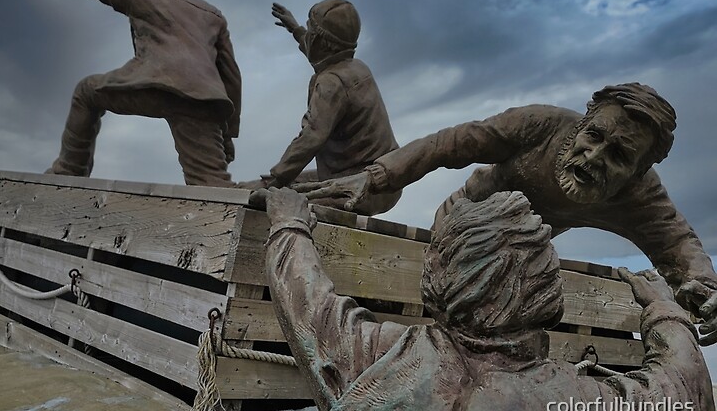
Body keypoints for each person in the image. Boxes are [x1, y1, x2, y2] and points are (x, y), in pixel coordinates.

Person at [263, 186, 715, 411]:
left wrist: (289, 223)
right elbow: (686, 395)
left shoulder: (377, 359)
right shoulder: (586, 407)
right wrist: (662, 309)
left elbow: (306, 300)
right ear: (548, 291)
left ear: (437, 279)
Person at [296, 82, 717, 342]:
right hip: (463, 218)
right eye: (594, 135)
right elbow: (450, 143)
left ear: (638, 171)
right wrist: (376, 176)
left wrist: (707, 289)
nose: (594, 155)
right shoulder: (539, 124)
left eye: (619, 154)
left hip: (520, 254)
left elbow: (679, 244)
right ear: (583, 122)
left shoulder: (640, 195)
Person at [47, 0, 242, 186]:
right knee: (213, 185)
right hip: (200, 99)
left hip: (154, 86)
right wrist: (227, 132)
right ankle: (269, 195)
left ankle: (69, 170)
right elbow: (231, 77)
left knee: (86, 91)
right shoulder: (213, 15)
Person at [254, 0, 400, 215]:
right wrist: (295, 28)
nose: (308, 37)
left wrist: (276, 181)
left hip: (362, 188)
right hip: (385, 181)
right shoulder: (355, 67)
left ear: (322, 42)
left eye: (311, 32)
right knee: (282, 184)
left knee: (281, 200)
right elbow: (320, 52)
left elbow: (311, 137)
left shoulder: (332, 82)